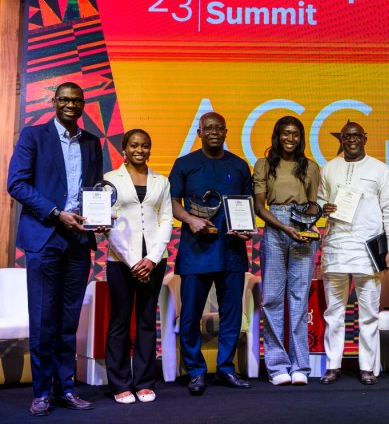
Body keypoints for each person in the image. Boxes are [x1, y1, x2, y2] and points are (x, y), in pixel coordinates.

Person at [7, 82, 104, 416]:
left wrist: (99, 215)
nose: (70, 105)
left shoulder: (92, 142)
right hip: (44, 237)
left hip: (78, 240)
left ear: (83, 104)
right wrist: (54, 213)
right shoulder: (34, 136)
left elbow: (94, 189)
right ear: (54, 101)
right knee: (43, 319)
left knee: (68, 320)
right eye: (64, 99)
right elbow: (16, 183)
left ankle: (65, 389)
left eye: (77, 100)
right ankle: (41, 393)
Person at [168, 112, 254, 396]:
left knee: (231, 314)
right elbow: (172, 202)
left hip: (231, 251)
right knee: (190, 315)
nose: (215, 132)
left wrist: (245, 228)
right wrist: (190, 220)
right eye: (209, 128)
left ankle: (226, 369)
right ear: (199, 131)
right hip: (196, 252)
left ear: (227, 132)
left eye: (219, 128)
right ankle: (195, 371)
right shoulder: (185, 164)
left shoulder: (240, 166)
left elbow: (247, 205)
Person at [317, 121, 389, 386]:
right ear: (341, 139)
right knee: (334, 311)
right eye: (346, 136)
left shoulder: (380, 169)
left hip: (367, 249)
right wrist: (322, 208)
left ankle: (367, 367)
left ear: (365, 137)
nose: (351, 139)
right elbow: (319, 201)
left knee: (369, 312)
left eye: (356, 135)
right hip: (336, 246)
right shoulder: (329, 168)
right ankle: (332, 365)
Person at [103, 129, 172, 404]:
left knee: (146, 321)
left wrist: (152, 259)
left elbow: (166, 219)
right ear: (124, 148)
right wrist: (133, 261)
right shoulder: (109, 179)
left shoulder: (161, 181)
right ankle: (120, 383)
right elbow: (107, 221)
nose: (139, 150)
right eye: (134, 145)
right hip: (121, 260)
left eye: (145, 145)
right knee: (120, 321)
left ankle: (144, 382)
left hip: (154, 260)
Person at [253, 116, 321, 387]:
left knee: (298, 300)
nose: (290, 138)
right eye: (285, 133)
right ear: (277, 136)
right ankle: (277, 365)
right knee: (271, 298)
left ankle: (300, 366)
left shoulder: (311, 167)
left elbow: (314, 204)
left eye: (295, 134)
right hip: (274, 230)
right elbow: (260, 208)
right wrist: (284, 227)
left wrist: (308, 221)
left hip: (302, 232)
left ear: (301, 138)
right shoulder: (264, 165)